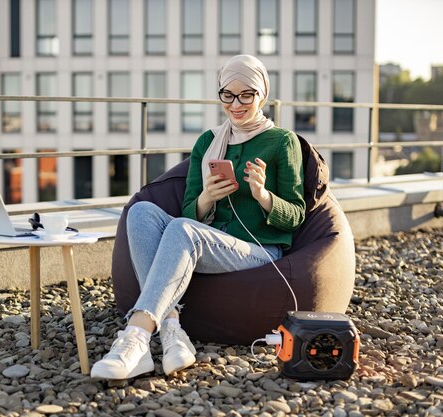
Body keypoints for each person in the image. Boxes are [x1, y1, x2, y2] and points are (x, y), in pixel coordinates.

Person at [91, 54, 306, 380]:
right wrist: (207, 197)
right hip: (209, 242)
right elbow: (189, 210)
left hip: (259, 250)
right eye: (227, 95)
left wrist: (263, 196)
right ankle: (172, 330)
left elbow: (296, 216)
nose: (236, 104)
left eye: (246, 94)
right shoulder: (208, 142)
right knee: (142, 213)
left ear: (262, 94)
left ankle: (136, 337)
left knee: (183, 230)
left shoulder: (282, 141)